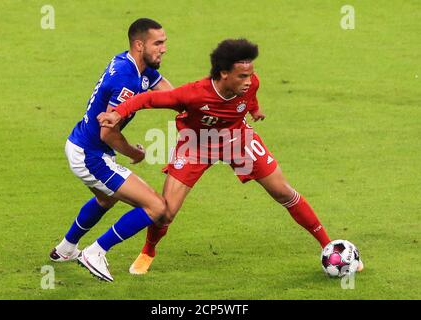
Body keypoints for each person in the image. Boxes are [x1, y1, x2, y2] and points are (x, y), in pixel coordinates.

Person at [98, 38, 364, 276]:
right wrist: (118, 114)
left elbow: (251, 98)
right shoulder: (193, 94)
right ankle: (148, 251)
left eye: (251, 73)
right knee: (165, 213)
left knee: (284, 192)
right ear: (224, 74)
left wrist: (255, 111)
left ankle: (328, 244)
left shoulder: (251, 83)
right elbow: (148, 100)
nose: (249, 80)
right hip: (196, 145)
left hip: (238, 139)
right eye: (242, 75)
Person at [49, 18, 174, 282]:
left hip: (82, 144)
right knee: (156, 208)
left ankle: (66, 249)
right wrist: (134, 153)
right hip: (91, 155)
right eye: (158, 43)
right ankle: (95, 252)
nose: (163, 48)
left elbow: (169, 93)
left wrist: (194, 104)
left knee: (106, 199)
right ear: (140, 44)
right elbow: (108, 132)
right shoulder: (127, 80)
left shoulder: (133, 64)